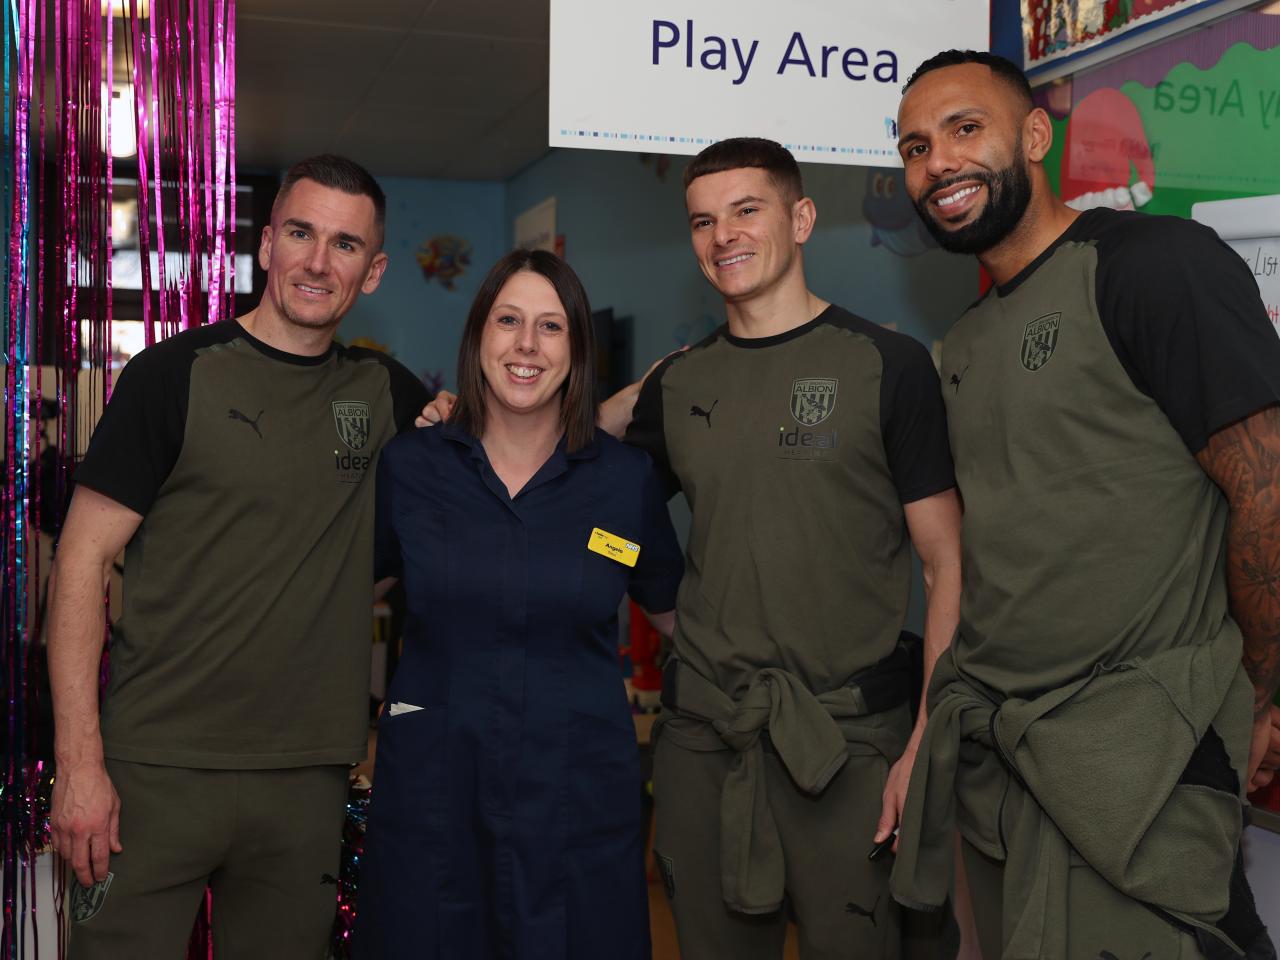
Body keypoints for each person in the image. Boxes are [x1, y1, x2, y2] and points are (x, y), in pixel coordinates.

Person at [890, 50, 1279, 960]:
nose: (937, 162)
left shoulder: (1149, 266)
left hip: (1144, 751)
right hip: (1009, 758)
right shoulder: (966, 341)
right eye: (914, 147)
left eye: (963, 129)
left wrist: (1263, 693)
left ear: (1033, 134)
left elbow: (1266, 493)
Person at [47, 154, 432, 958]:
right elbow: (79, 565)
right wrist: (79, 763)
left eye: (345, 244)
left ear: (375, 270)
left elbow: (519, 443)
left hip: (306, 778)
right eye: (300, 233)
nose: (318, 262)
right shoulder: (172, 376)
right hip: (153, 768)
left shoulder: (388, 396)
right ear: (266, 245)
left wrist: (631, 403)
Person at [352, 249, 683, 959]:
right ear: (478, 338)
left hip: (578, 801)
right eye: (508, 321)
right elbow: (337, 600)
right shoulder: (412, 468)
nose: (526, 345)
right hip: (436, 796)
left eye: (550, 327)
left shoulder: (624, 484)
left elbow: (679, 618)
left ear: (577, 351)